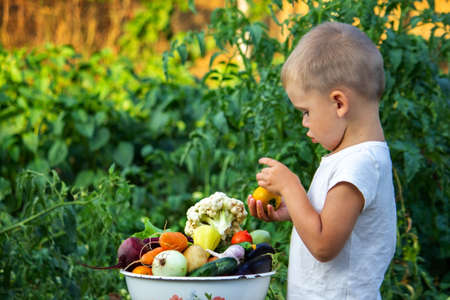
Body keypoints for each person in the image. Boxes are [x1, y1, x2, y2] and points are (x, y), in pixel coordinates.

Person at [247, 21, 397, 299]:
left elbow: (324, 246)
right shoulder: (353, 158)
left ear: (339, 103)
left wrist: (291, 187)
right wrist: (293, 208)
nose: (305, 122)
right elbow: (332, 222)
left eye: (306, 111)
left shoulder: (358, 166)